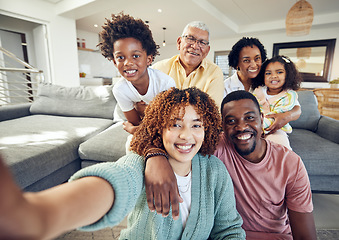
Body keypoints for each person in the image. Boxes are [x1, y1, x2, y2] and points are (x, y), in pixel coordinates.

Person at [0, 87, 245, 240]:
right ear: (159, 128)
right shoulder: (140, 164)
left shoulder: (215, 171)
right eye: (175, 124)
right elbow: (115, 180)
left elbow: (229, 230)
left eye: (196, 125)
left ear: (208, 129)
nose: (186, 135)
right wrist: (41, 216)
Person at [141, 90, 317, 239]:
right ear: (222, 125)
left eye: (249, 118)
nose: (241, 127)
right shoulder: (214, 147)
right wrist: (154, 156)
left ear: (261, 119)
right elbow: (160, 137)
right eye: (231, 121)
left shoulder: (290, 163)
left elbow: (305, 235)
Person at [97, 13, 175, 134]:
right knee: (131, 145)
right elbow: (136, 123)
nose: (128, 63)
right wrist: (136, 127)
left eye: (136, 56)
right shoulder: (120, 89)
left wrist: (145, 112)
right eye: (121, 57)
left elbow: (169, 126)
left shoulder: (165, 83)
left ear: (149, 59)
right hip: (146, 130)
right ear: (114, 62)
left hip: (167, 132)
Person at [224, 37, 301, 134]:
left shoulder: (269, 83)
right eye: (246, 60)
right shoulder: (226, 86)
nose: (254, 65)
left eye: (257, 59)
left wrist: (286, 116)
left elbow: (296, 108)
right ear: (236, 64)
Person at [152, 21, 224, 107]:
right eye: (190, 39)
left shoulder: (214, 72)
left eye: (202, 42)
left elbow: (211, 113)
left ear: (207, 51)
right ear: (179, 43)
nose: (195, 46)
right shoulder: (158, 69)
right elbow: (148, 106)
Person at [252, 55, 302, 149]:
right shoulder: (258, 91)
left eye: (279, 72)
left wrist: (259, 128)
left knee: (280, 147)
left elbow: (280, 115)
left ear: (288, 75)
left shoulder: (288, 95)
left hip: (276, 128)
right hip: (254, 126)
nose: (273, 76)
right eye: (268, 73)